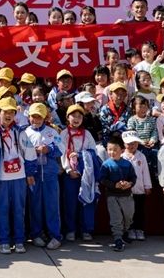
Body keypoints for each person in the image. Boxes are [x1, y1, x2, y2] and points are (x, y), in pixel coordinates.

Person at [0, 96, 36, 254]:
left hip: (19, 177)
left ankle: (19, 240)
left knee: (19, 209)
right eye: (5, 112)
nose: (8, 115)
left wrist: (30, 173)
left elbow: (30, 153)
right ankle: (4, 241)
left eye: (11, 112)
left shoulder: (20, 132)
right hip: (2, 178)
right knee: (3, 209)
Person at [60, 104, 100, 242]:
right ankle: (70, 230)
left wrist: (81, 155)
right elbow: (62, 153)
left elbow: (93, 152)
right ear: (67, 118)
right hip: (70, 174)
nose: (76, 119)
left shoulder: (87, 134)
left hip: (86, 173)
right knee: (70, 202)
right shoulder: (64, 133)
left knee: (86, 201)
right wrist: (69, 169)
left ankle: (85, 230)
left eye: (79, 116)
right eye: (73, 116)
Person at [25, 103, 62, 249]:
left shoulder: (52, 132)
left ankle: (55, 235)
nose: (36, 119)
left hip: (49, 174)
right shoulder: (25, 133)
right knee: (35, 205)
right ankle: (36, 234)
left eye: (39, 116)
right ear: (29, 117)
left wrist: (48, 149)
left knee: (52, 205)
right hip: (33, 174)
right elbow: (21, 153)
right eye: (34, 116)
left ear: (45, 117)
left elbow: (61, 148)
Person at [98, 133, 136, 252]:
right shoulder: (106, 165)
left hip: (127, 195)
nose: (112, 152)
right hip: (112, 196)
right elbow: (102, 179)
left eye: (115, 150)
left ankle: (125, 231)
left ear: (122, 150)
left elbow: (133, 177)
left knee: (128, 216)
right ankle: (118, 238)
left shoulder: (127, 164)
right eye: (109, 150)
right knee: (116, 218)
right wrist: (114, 185)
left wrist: (129, 184)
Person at [122, 131, 152, 242]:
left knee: (139, 211)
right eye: (129, 143)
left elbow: (145, 172)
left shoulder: (141, 156)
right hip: (127, 191)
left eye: (134, 143)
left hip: (139, 190)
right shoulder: (122, 157)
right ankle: (129, 229)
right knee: (128, 212)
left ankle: (139, 230)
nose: (132, 145)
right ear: (124, 144)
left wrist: (147, 186)